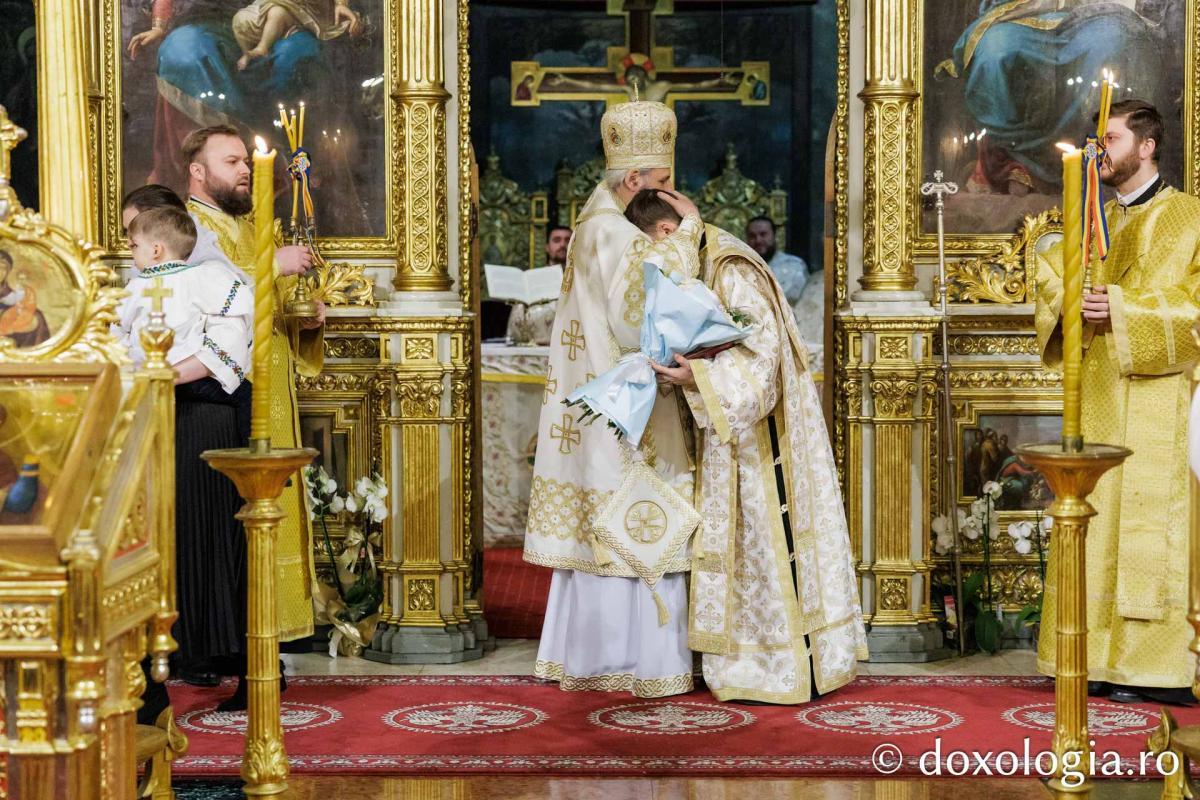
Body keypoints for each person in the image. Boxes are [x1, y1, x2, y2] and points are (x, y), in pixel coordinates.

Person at [627, 189, 867, 703]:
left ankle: (783, 664)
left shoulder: (730, 265)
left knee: (766, 540)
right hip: (729, 432)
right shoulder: (704, 261)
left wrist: (697, 377)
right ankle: (745, 660)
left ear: (666, 233)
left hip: (762, 439)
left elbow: (764, 358)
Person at [524, 100, 704, 698]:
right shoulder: (613, 233)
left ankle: (593, 657)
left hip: (606, 406)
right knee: (633, 522)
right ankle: (636, 663)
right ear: (633, 179)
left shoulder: (594, 223)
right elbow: (643, 313)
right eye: (663, 183)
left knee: (608, 528)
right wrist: (691, 230)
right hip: (628, 414)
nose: (671, 196)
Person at [1034, 99, 1200, 705]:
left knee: (1152, 525)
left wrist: (1125, 311)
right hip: (1100, 391)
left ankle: (1155, 668)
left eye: (1111, 140)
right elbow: (1051, 280)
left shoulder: (1191, 217)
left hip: (1163, 397)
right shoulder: (1092, 221)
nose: (1099, 152)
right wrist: (1069, 297)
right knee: (1095, 520)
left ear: (1147, 147)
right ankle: (1090, 658)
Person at [182, 125, 325, 709]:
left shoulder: (246, 224)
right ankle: (234, 652)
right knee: (236, 521)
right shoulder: (187, 228)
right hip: (223, 401)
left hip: (270, 390)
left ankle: (259, 650)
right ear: (198, 171)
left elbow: (266, 308)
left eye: (247, 161)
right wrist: (273, 264)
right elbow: (200, 295)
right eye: (231, 161)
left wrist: (303, 316)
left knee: (268, 515)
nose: (244, 170)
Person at [114, 206, 254, 717]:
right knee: (151, 542)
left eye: (133, 244)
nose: (129, 252)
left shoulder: (210, 279)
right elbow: (115, 345)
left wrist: (163, 375)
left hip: (201, 418)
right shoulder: (132, 290)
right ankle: (151, 679)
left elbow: (229, 346)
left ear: (155, 247)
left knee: (208, 536)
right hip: (145, 419)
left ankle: (240, 663)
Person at [233, 0, 362, 71]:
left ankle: (262, 48)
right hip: (274, 2)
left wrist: (340, 5)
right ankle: (248, 54)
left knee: (277, 13)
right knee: (241, 19)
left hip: (307, 9)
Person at [505, 226, 572, 346]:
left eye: (568, 240)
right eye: (557, 240)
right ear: (547, 247)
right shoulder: (533, 281)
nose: (563, 245)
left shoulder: (585, 281)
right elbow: (516, 324)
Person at [0, 249, 51, 348]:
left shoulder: (10, 292)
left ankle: (35, 352)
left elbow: (14, 302)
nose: (0, 272)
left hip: (7, 321)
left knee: (38, 316)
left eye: (3, 268)